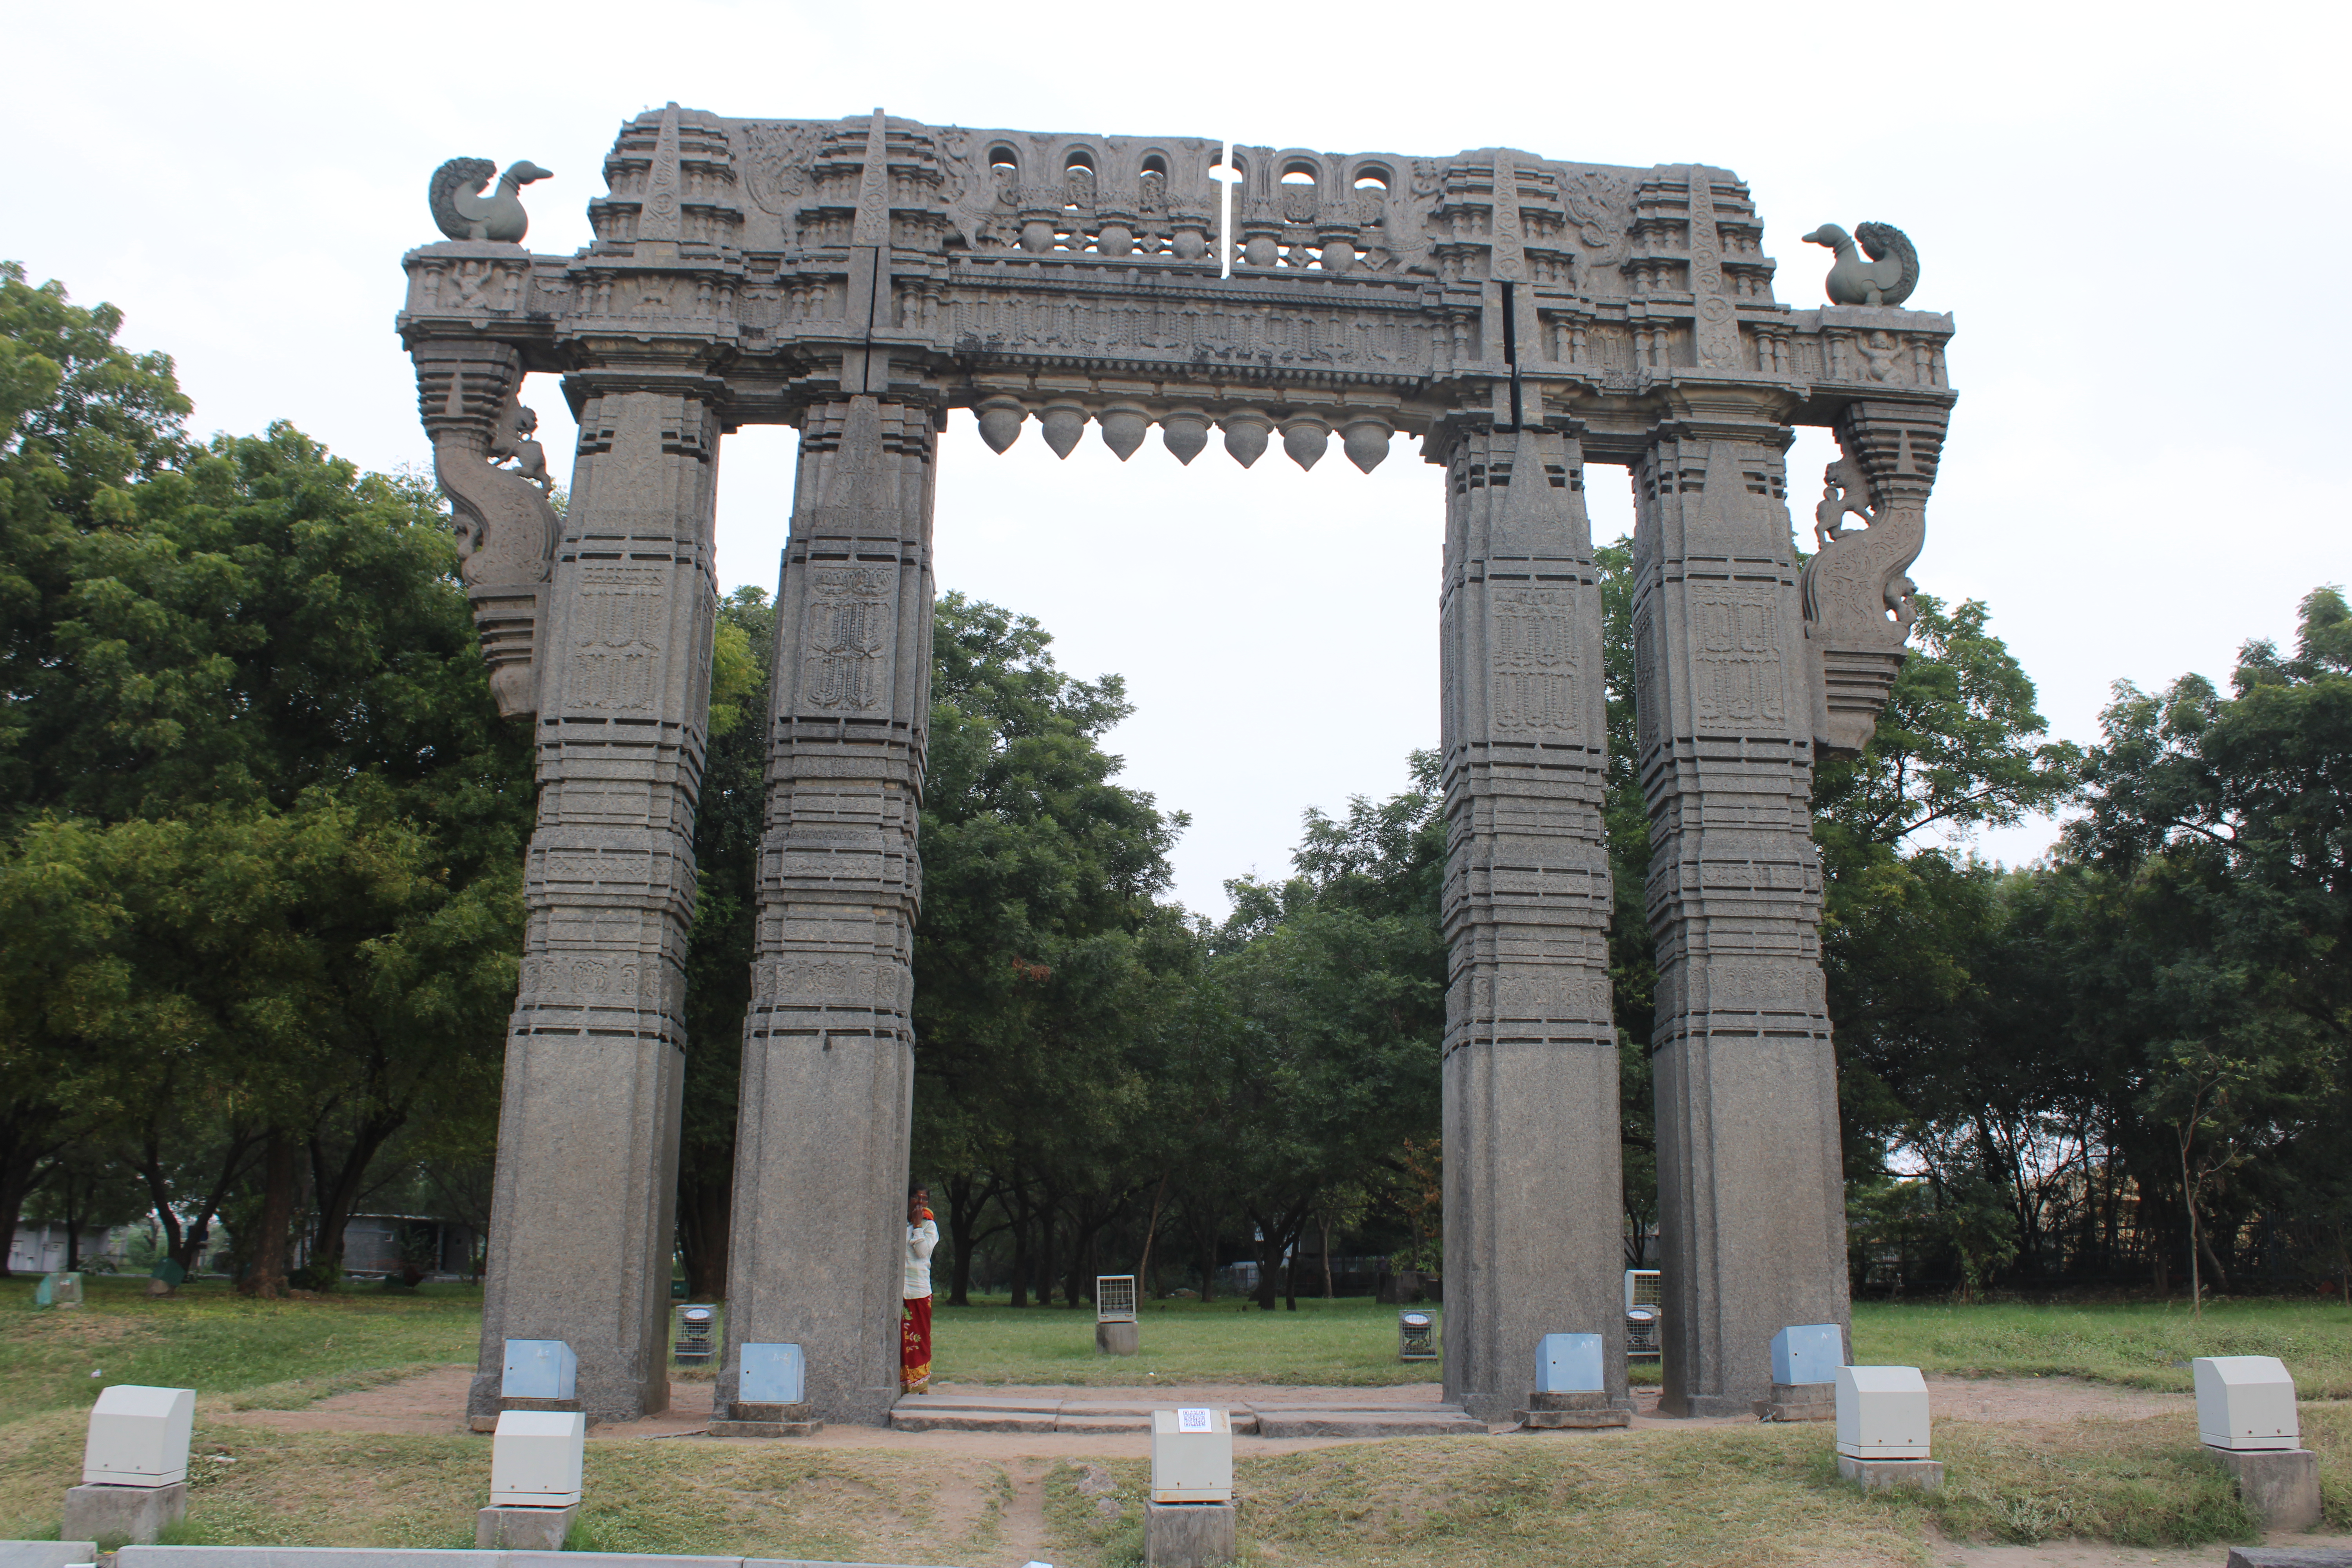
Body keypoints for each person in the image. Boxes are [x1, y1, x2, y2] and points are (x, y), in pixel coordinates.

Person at [902, 1185, 938, 1395]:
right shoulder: (900, 1224)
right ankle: (903, 1385)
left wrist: (917, 1226)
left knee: (919, 1340)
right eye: (916, 1197)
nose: (919, 1203)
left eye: (924, 1200)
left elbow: (923, 1253)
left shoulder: (929, 1227)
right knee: (901, 1342)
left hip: (919, 1290)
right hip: (900, 1292)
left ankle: (920, 1386)